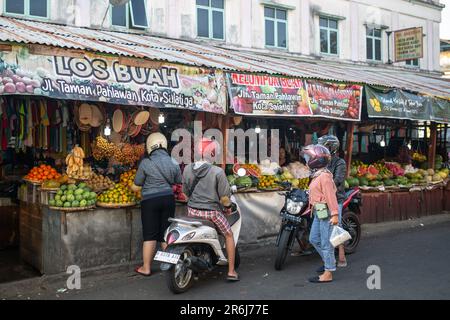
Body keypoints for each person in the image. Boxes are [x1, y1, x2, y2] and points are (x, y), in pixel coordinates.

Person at [182, 138, 239, 282]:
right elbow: (225, 199)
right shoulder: (217, 171)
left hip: (192, 211)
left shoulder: (188, 168)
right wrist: (227, 207)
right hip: (212, 213)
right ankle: (231, 271)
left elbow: (185, 193)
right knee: (229, 235)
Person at [132, 132, 182, 277]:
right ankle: (170, 268)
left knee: (150, 235)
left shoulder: (146, 163)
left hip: (150, 201)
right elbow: (177, 180)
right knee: (165, 235)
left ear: (149, 147)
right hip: (168, 199)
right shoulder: (173, 161)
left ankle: (146, 268)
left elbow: (137, 184)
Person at [302, 144, 339, 283]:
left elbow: (330, 196)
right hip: (319, 212)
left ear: (315, 159)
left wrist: (335, 214)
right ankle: (329, 262)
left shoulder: (324, 176)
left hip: (327, 212)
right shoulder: (317, 175)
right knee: (314, 239)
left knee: (325, 243)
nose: (306, 160)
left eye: (308, 157)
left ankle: (328, 273)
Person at [318, 135, 347, 267]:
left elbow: (338, 180)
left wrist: (324, 187)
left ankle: (341, 255)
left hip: (336, 199)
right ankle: (328, 260)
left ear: (332, 148)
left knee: (336, 227)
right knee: (321, 224)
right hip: (321, 201)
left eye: (324, 146)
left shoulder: (339, 162)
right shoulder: (321, 162)